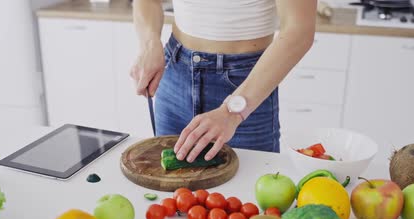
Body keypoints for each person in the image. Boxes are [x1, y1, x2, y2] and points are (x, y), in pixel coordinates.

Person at [130, 0, 317, 163]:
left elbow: (299, 30)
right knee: (169, 193)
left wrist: (234, 110)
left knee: (249, 196)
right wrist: (149, 42)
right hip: (175, 72)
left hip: (246, 84)